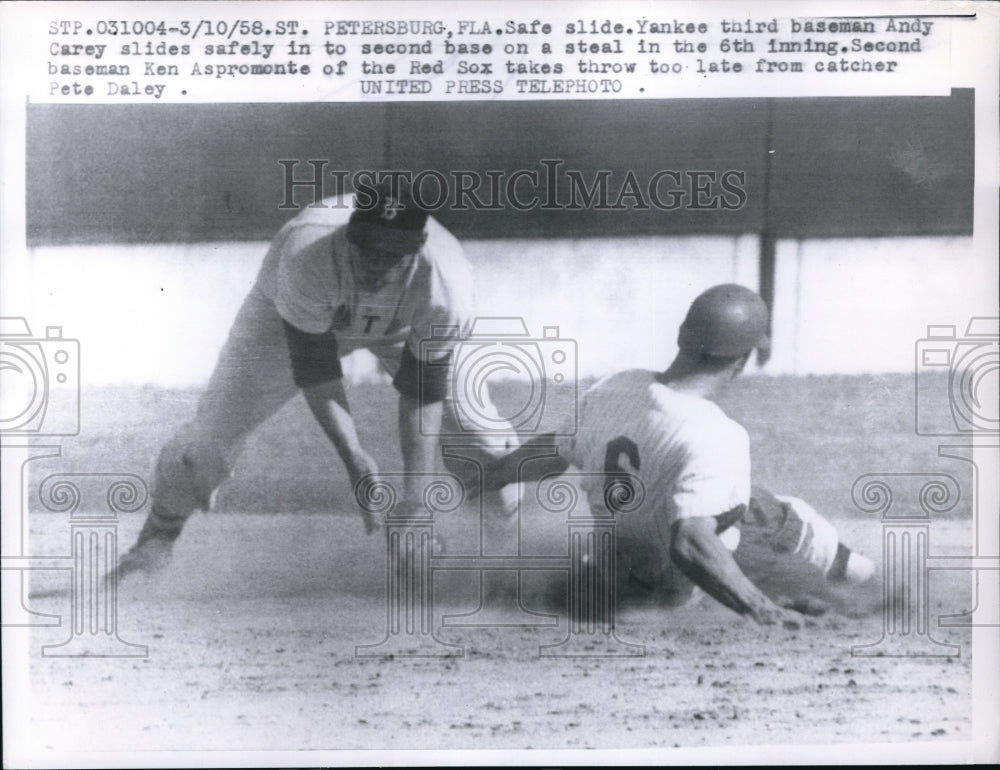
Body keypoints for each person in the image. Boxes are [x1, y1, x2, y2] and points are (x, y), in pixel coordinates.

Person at [112, 175, 517, 580]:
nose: (376, 265)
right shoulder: (307, 253)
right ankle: (155, 543)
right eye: (367, 249)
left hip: (404, 327)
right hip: (282, 318)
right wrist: (355, 457)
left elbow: (421, 391)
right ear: (348, 236)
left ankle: (503, 565)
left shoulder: (447, 286)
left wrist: (415, 499)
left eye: (392, 255)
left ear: (417, 248)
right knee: (206, 440)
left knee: (484, 444)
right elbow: (316, 368)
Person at [472, 284, 877, 625]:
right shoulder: (716, 434)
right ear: (742, 358)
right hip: (672, 594)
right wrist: (762, 610)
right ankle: (863, 577)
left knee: (746, 500)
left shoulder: (616, 387)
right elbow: (690, 543)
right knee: (774, 514)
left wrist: (491, 474)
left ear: (684, 336)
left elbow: (554, 450)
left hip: (606, 579)